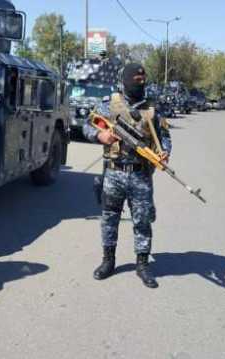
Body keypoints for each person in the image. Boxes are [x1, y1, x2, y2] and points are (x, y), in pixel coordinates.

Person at [83, 63, 172, 289]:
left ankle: (142, 264)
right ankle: (108, 260)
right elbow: (87, 126)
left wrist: (164, 152)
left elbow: (165, 137)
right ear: (125, 82)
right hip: (114, 172)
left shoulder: (151, 108)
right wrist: (100, 136)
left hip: (141, 174)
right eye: (135, 82)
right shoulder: (108, 105)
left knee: (142, 220)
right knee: (109, 218)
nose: (139, 86)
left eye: (142, 82)